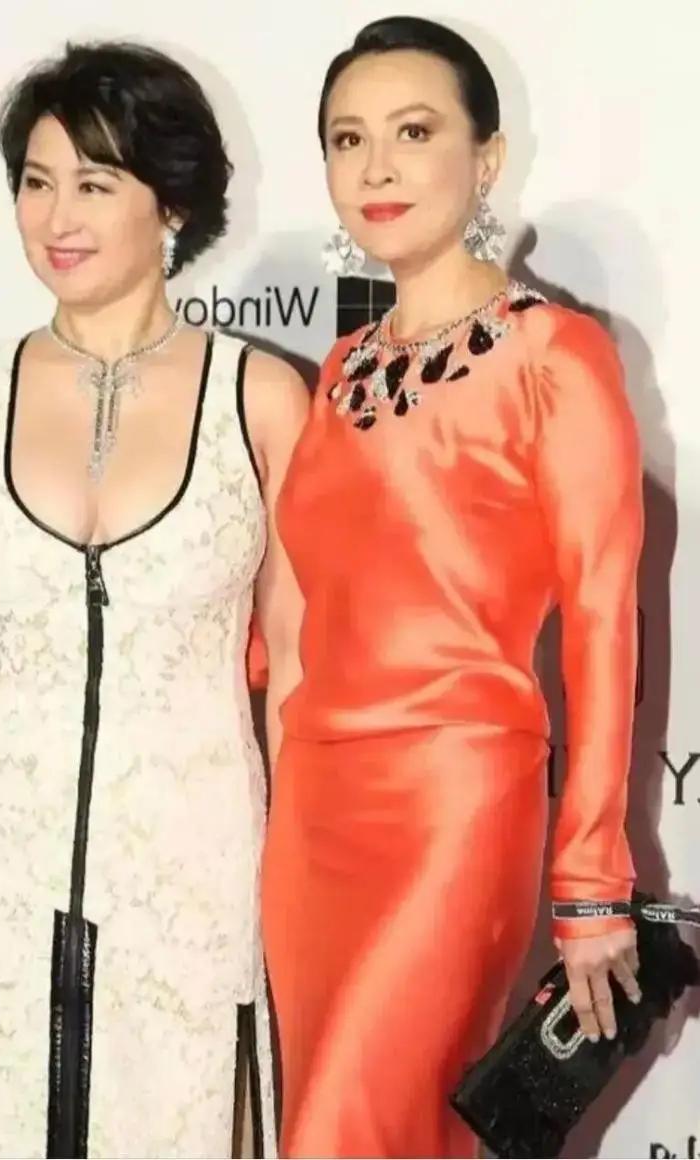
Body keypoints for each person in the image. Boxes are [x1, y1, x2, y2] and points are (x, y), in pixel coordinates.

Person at [0, 40, 306, 1159]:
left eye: (94, 183)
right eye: (36, 180)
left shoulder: (261, 399)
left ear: (171, 204)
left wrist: (303, 871)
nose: (56, 217)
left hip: (196, 857)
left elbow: (296, 660)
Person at [262, 16, 644, 1158]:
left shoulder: (555, 355)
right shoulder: (341, 371)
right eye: (347, 139)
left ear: (486, 159)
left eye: (414, 132)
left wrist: (591, 878)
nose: (376, 166)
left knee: (350, 1130)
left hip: (451, 807)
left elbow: (603, 616)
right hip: (312, 814)